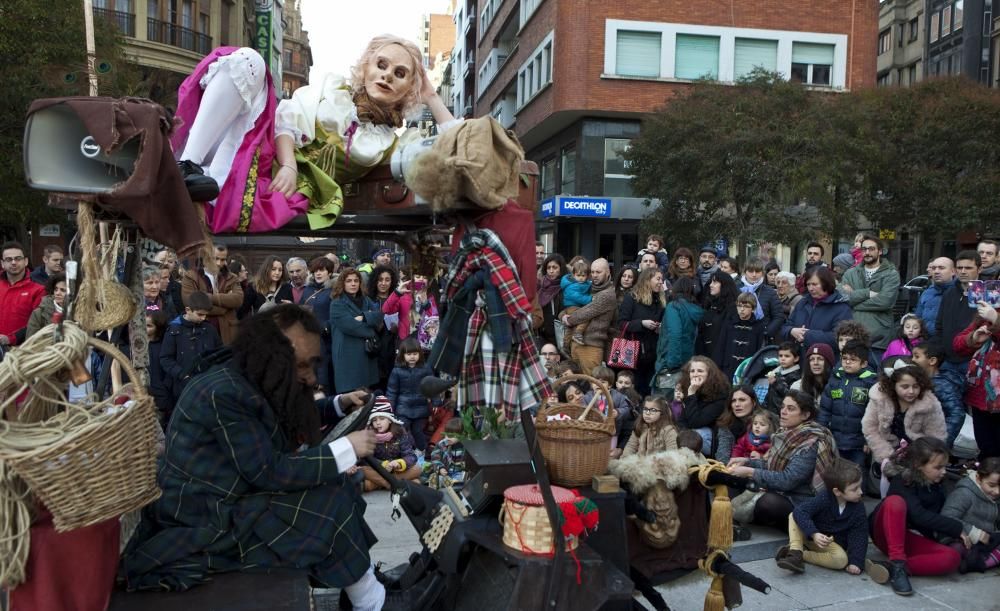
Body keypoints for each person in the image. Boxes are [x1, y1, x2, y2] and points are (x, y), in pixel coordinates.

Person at [123, 305, 387, 610]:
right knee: (328, 503)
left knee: (339, 484)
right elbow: (268, 471)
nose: (312, 378)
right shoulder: (224, 392)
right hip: (205, 516)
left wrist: (338, 404)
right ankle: (371, 601)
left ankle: (363, 584)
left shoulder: (247, 377)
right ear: (273, 356)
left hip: (229, 498)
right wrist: (347, 449)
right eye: (302, 366)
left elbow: (278, 419)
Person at [172, 35, 457, 234]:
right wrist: (289, 165)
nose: (387, 76)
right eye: (381, 65)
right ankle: (186, 166)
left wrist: (431, 96)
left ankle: (193, 180)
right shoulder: (331, 91)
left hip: (273, 190)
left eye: (400, 73)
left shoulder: (391, 144)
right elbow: (286, 118)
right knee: (251, 61)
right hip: (261, 153)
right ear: (366, 66)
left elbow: (456, 147)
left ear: (410, 87)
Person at [866, 437, 968, 596]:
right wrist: (957, 528)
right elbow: (919, 515)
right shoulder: (901, 480)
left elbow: (936, 518)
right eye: (938, 467)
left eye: (945, 467)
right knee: (895, 502)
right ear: (918, 465)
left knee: (952, 557)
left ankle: (891, 567)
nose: (943, 471)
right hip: (886, 531)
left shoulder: (939, 483)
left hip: (910, 537)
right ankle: (897, 562)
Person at [728, 390, 837, 530]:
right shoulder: (784, 432)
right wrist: (747, 461)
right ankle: (734, 523)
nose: (783, 412)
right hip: (781, 492)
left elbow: (788, 480)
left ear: (805, 415)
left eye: (790, 409)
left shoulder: (811, 440)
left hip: (801, 500)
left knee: (767, 503)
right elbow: (772, 465)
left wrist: (751, 472)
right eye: (783, 407)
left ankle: (797, 527)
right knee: (731, 477)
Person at [861, 358, 948, 494]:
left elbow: (936, 436)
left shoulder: (930, 404)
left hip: (920, 457)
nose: (911, 391)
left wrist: (921, 462)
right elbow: (870, 428)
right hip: (889, 452)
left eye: (916, 386)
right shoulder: (879, 399)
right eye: (905, 386)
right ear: (893, 385)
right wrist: (887, 456)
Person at [776, 459, 867, 576]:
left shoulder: (858, 507)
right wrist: (814, 533)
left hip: (829, 544)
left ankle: (800, 554)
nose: (860, 492)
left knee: (841, 560)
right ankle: (795, 552)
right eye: (855, 489)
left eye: (860, 486)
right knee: (794, 515)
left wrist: (856, 561)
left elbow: (859, 534)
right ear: (837, 491)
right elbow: (801, 511)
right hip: (810, 536)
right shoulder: (825, 498)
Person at [952, 300, 1000, 459]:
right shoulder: (986, 313)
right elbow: (958, 345)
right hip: (982, 397)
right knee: (987, 450)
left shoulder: (992, 314)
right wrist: (974, 337)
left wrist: (996, 320)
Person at [818, 340, 877, 466]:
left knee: (858, 475)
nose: (847, 362)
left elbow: (874, 415)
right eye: (844, 358)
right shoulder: (835, 380)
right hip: (835, 441)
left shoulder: (870, 383)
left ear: (864, 363)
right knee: (835, 475)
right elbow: (825, 410)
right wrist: (821, 434)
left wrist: (869, 441)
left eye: (853, 359)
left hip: (859, 445)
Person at [839, 235, 900, 359]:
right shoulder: (851, 273)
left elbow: (884, 302)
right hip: (852, 336)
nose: (867, 252)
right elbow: (843, 299)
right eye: (864, 249)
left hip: (878, 338)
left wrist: (854, 300)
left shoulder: (891, 274)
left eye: (871, 249)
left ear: (880, 251)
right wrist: (867, 293)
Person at [330, 268, 384, 393]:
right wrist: (371, 330)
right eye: (349, 281)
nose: (353, 284)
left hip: (366, 355)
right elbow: (351, 326)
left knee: (367, 395)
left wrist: (364, 317)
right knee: (351, 398)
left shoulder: (366, 300)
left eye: (356, 280)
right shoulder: (337, 303)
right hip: (347, 356)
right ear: (342, 283)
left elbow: (379, 316)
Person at [941, 458, 1000, 573]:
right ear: (978, 478)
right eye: (992, 485)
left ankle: (980, 562)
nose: (997, 491)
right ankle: (975, 562)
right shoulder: (964, 493)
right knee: (956, 549)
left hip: (987, 540)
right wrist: (974, 533)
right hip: (964, 539)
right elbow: (947, 516)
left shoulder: (995, 496)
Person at [159, 291, 222, 398]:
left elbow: (219, 353)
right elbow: (165, 358)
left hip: (208, 383)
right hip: (184, 386)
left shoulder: (210, 329)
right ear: (188, 310)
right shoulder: (174, 330)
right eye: (200, 314)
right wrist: (182, 374)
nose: (203, 318)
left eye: (205, 315)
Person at [562, 258, 617, 374]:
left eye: (598, 272)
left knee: (591, 384)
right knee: (576, 386)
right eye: (592, 272)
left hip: (591, 347)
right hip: (575, 344)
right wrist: (562, 315)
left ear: (608, 273)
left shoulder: (607, 294)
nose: (594, 275)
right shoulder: (587, 287)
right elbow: (570, 304)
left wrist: (568, 319)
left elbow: (584, 313)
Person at [782, 266, 853, 356]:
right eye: (808, 284)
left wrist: (808, 335)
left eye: (815, 284)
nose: (811, 288)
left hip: (826, 362)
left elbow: (841, 339)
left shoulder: (841, 307)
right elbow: (785, 327)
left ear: (826, 283)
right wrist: (791, 331)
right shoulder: (803, 302)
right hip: (800, 360)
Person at [181, 245, 243, 344]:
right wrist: (224, 308)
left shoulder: (232, 277)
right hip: (200, 330)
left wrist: (205, 296)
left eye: (223, 260)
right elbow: (189, 301)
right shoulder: (191, 276)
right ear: (206, 256)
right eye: (215, 259)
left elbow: (238, 300)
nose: (219, 263)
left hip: (227, 332)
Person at [357, 397, 422, 492]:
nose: (378, 423)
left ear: (390, 420)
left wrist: (399, 463)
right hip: (378, 469)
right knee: (362, 470)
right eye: (374, 420)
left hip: (397, 470)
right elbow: (366, 459)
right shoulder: (369, 434)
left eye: (382, 418)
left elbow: (410, 455)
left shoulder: (400, 432)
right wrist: (383, 464)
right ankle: (395, 484)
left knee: (417, 469)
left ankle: (375, 485)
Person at [618, 267, 665, 396]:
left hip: (653, 353)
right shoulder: (631, 297)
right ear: (647, 280)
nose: (661, 282)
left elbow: (662, 322)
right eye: (658, 279)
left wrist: (659, 327)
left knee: (649, 391)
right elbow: (622, 323)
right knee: (634, 389)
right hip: (633, 354)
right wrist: (641, 323)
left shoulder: (660, 301)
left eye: (662, 279)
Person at [911, 342, 965, 447]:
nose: (912, 360)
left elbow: (956, 414)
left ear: (932, 361)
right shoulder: (918, 380)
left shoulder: (943, 385)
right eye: (912, 356)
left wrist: (941, 442)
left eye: (917, 356)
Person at [654, 277, 703, 392]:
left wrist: (672, 363)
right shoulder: (696, 310)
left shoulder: (674, 307)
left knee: (663, 403)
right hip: (689, 362)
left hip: (671, 363)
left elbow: (675, 334)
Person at [386, 337, 434, 452]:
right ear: (402, 355)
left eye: (415, 354)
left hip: (420, 407)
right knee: (402, 429)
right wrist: (389, 408)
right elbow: (392, 391)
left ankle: (422, 451)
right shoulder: (397, 371)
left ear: (420, 354)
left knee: (418, 431)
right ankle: (401, 451)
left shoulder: (426, 369)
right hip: (403, 407)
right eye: (409, 354)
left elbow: (432, 386)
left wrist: (436, 401)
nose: (412, 357)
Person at [675, 356, 731, 451]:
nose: (695, 374)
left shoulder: (720, 393)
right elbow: (682, 420)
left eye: (700, 371)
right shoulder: (689, 389)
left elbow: (696, 422)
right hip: (692, 433)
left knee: (697, 434)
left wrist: (692, 394)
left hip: (711, 438)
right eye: (692, 371)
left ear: (709, 374)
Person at [0, 241, 46, 348]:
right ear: (2, 264)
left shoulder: (38, 289)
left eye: (18, 258)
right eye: (8, 259)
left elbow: (38, 324)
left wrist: (10, 338)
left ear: (25, 261)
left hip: (21, 350)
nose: (13, 262)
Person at [303, 256, 337, 392]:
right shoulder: (307, 290)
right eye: (315, 270)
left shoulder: (334, 291)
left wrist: (326, 326)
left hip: (327, 340)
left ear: (329, 272)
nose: (318, 273)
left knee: (326, 379)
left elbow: (337, 315)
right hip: (308, 339)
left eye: (322, 270)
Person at [713, 292, 765, 379]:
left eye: (746, 307)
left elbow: (758, 350)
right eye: (739, 306)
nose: (742, 309)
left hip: (747, 370)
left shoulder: (758, 327)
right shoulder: (729, 323)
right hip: (728, 367)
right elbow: (721, 346)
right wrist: (718, 368)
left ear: (753, 309)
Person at [591, 365, 637, 458]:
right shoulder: (589, 396)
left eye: (602, 382)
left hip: (612, 433)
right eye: (596, 382)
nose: (599, 384)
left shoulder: (618, 397)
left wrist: (618, 412)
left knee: (609, 455)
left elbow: (627, 410)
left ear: (610, 385)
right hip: (594, 431)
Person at [366, 264, 399, 390]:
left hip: (392, 349)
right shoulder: (368, 300)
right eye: (380, 280)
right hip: (372, 351)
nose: (383, 283)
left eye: (387, 280)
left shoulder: (397, 299)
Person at [382, 268, 438, 342]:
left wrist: (425, 303)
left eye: (425, 278)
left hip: (423, 342)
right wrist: (397, 292)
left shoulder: (432, 297)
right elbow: (386, 310)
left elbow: (434, 321)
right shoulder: (404, 295)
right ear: (412, 278)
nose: (421, 279)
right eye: (417, 277)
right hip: (405, 340)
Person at [740, 261, 785, 342]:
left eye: (757, 271)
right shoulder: (737, 289)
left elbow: (779, 316)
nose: (754, 275)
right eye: (750, 271)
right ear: (745, 272)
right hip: (740, 335)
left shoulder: (770, 292)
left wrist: (766, 332)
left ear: (762, 273)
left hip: (761, 338)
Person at [696, 270, 738, 359]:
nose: (711, 285)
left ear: (724, 285)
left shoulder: (732, 308)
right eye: (711, 282)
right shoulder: (709, 304)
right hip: (705, 356)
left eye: (715, 282)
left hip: (721, 358)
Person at [145, 311, 174, 426]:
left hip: (161, 396)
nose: (145, 329)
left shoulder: (164, 346)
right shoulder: (135, 346)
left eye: (149, 325)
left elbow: (168, 369)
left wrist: (165, 386)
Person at [914, 257, 956, 336]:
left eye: (941, 268)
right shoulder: (926, 293)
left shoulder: (960, 292)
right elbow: (917, 318)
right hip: (926, 342)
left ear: (953, 271)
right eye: (933, 268)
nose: (936, 271)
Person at [559, 258, 593, 347]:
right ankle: (578, 333)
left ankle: (566, 345)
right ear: (574, 275)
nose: (581, 278)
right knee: (585, 317)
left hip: (573, 307)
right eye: (578, 275)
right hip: (572, 307)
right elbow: (579, 297)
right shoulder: (572, 286)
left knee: (569, 327)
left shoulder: (581, 283)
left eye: (583, 275)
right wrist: (590, 299)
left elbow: (588, 284)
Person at [792, 343, 835, 408]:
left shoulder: (838, 386)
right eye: (812, 359)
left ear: (829, 363)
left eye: (820, 359)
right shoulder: (797, 387)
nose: (815, 363)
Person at [764, 341, 802, 414]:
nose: (783, 359)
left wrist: (775, 383)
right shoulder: (776, 372)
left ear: (796, 358)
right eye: (780, 356)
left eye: (787, 356)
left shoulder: (796, 377)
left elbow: (790, 395)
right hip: (770, 410)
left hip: (782, 412)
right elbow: (770, 393)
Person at [538, 253, 568, 346]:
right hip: (542, 335)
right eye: (548, 268)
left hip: (561, 336)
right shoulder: (541, 286)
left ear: (561, 269)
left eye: (554, 268)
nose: (551, 271)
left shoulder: (567, 287)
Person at [26, 273, 67, 339]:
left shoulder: (81, 314)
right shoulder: (38, 313)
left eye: (63, 290)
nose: (57, 293)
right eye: (56, 289)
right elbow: (31, 342)